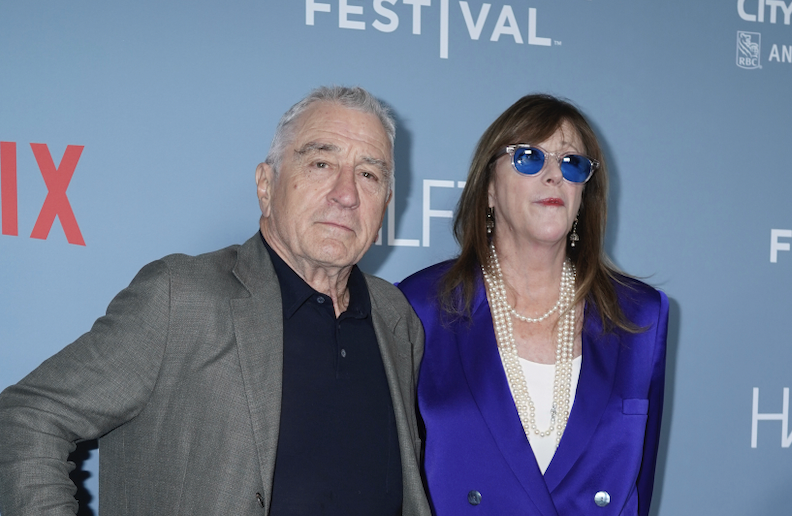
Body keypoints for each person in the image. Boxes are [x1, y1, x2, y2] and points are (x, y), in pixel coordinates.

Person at [0, 86, 431, 516]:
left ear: (385, 206)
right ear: (266, 185)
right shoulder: (180, 298)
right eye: (321, 163)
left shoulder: (394, 317)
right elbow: (26, 418)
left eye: (369, 175)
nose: (347, 193)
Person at [398, 94, 668, 516]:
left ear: (584, 193)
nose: (553, 176)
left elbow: (640, 486)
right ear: (488, 187)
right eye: (528, 158)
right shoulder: (419, 305)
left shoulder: (640, 315)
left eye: (572, 163)